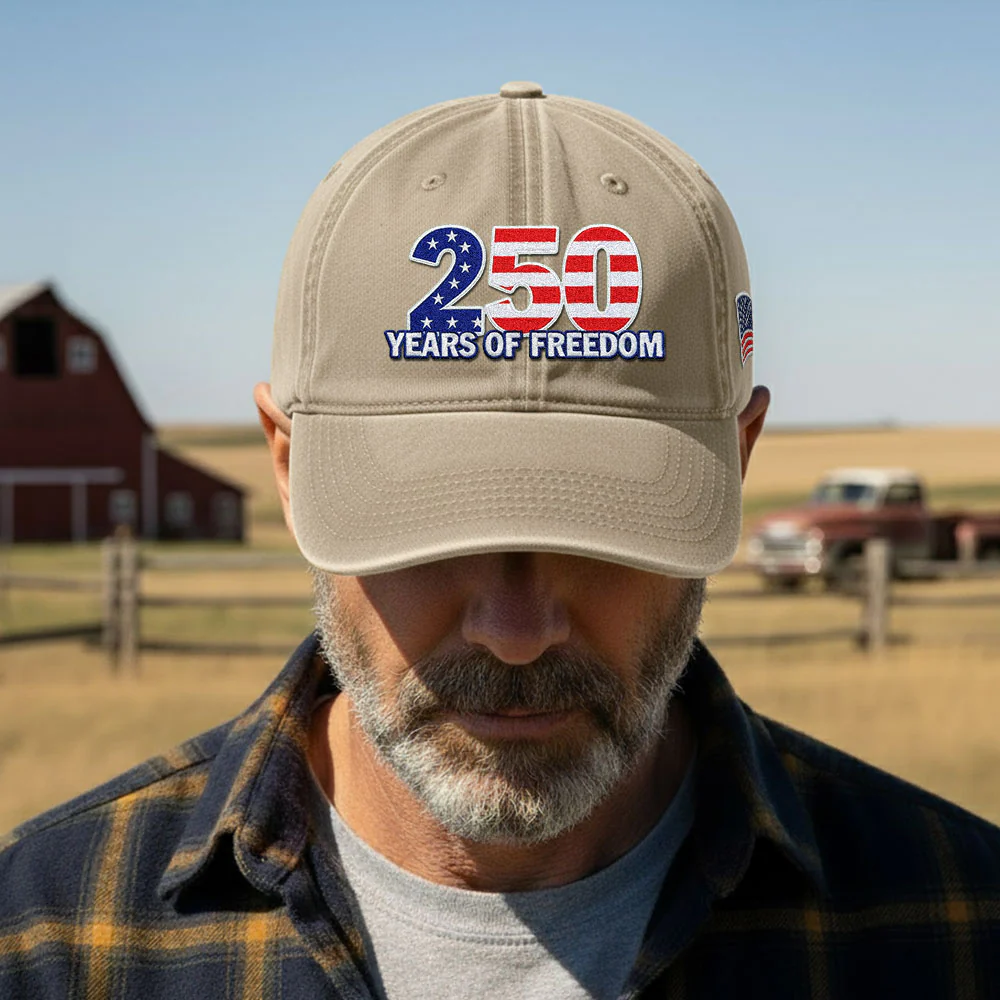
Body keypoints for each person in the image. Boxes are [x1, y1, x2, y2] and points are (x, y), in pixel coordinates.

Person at [1, 82, 999, 999]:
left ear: (736, 459)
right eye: (430, 526)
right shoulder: (48, 941)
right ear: (287, 460)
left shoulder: (958, 926)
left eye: (604, 529)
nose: (516, 632)